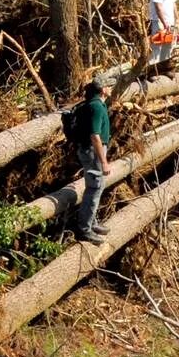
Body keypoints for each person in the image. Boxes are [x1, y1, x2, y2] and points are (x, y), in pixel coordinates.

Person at [72, 79, 112, 244]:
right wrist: (104, 161)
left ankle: (92, 222)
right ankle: (84, 229)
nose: (111, 88)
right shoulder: (95, 107)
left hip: (94, 150)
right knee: (94, 188)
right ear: (103, 89)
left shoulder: (96, 104)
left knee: (98, 186)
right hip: (93, 151)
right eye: (109, 85)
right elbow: (94, 135)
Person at [147, 0, 178, 66]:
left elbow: (174, 4)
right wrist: (164, 23)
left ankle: (164, 69)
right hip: (159, 22)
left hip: (170, 22)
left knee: (168, 47)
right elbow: (158, 7)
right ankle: (151, 71)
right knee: (157, 47)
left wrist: (177, 19)